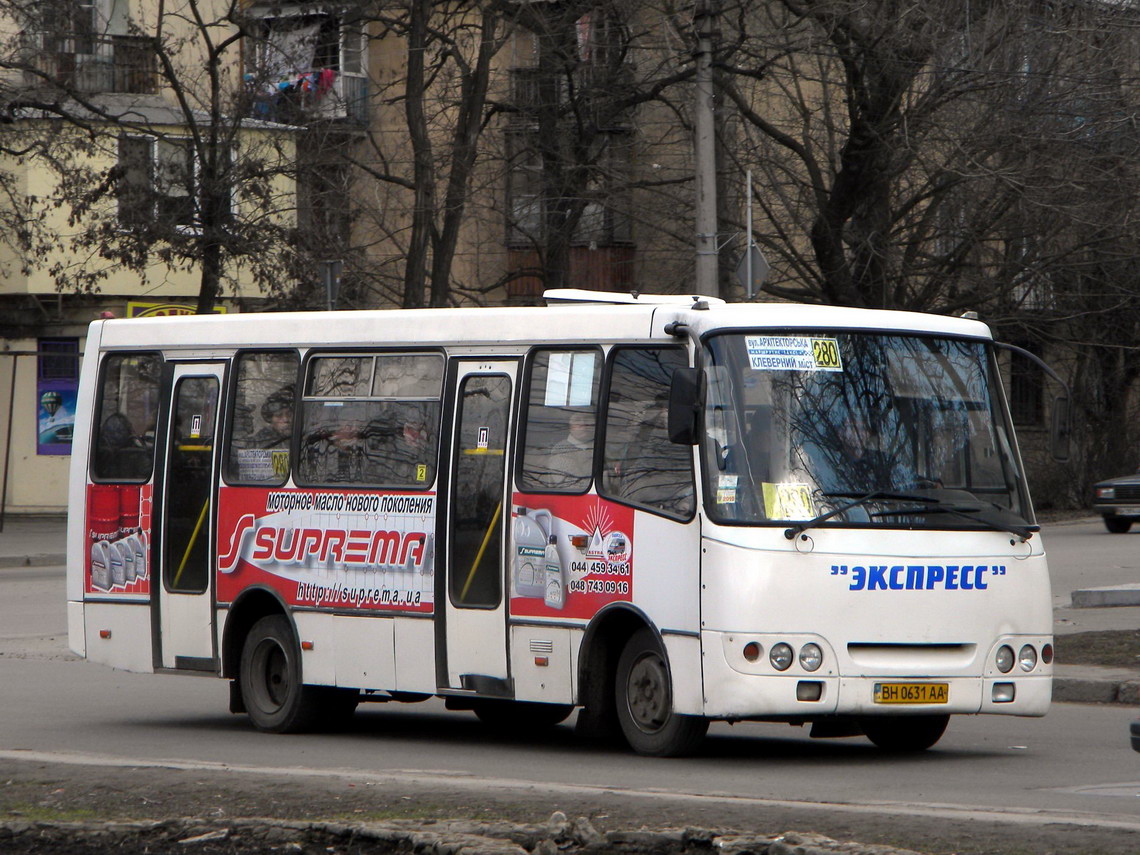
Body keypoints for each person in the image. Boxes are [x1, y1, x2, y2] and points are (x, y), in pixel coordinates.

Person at [545, 410, 595, 490]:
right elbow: (576, 487)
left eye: (587, 419)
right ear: (569, 427)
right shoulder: (561, 452)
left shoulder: (602, 447)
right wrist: (608, 478)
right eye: (577, 420)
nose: (583, 424)